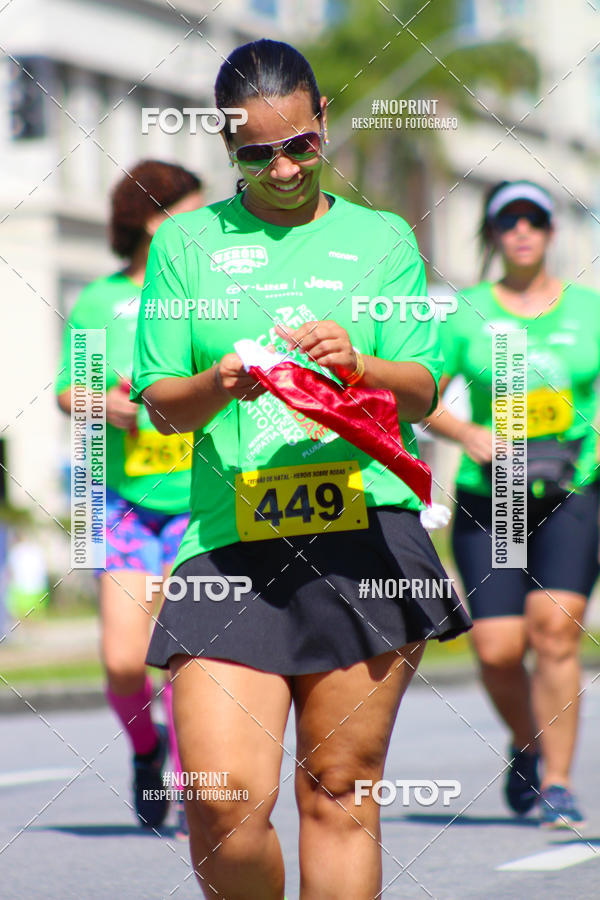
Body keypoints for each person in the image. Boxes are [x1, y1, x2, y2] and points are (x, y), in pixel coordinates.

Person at [131, 39, 471, 897]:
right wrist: (218, 382)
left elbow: (425, 389)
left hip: (365, 534)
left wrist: (361, 367)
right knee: (225, 806)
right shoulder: (187, 247)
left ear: (323, 124)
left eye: (299, 145)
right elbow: (164, 404)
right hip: (229, 542)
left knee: (340, 791)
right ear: (226, 148)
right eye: (256, 152)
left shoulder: (383, 240)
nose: (282, 168)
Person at [426, 180, 600, 828]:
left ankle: (558, 780)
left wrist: (593, 442)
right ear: (494, 235)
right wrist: (466, 432)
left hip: (571, 491)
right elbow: (421, 394)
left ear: (551, 232)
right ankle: (528, 743)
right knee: (498, 647)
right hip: (491, 499)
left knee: (555, 631)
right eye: (508, 222)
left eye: (534, 220)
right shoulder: (465, 312)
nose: (522, 231)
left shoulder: (589, 310)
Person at [56, 161, 203, 836]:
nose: (204, 228)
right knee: (122, 662)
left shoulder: (211, 296)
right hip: (124, 503)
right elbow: (69, 392)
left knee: (188, 661)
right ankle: (149, 752)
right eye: (191, 213)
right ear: (151, 220)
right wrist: (109, 406)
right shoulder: (99, 301)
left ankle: (199, 779)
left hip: (203, 503)